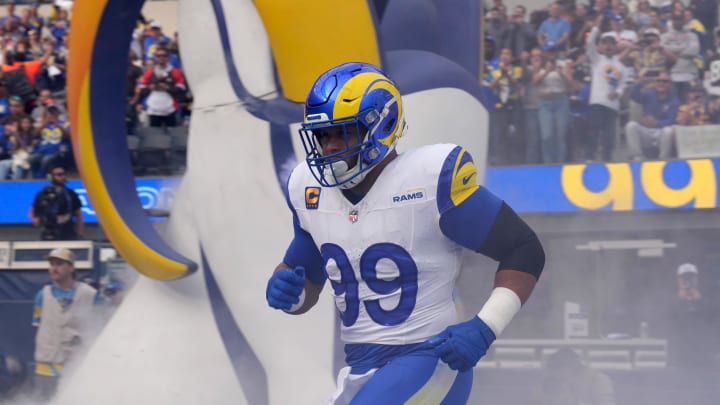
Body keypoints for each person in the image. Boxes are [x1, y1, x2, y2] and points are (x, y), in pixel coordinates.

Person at [266, 62, 545, 404]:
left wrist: (486, 326)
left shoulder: (428, 180)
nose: (331, 146)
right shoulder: (307, 188)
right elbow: (305, 283)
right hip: (360, 367)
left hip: (429, 357)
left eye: (344, 132)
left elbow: (523, 248)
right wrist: (288, 292)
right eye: (324, 135)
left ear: (381, 126)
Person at [32, 248, 101, 401]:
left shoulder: (90, 295)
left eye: (59, 264)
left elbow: (99, 328)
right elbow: (38, 324)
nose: (53, 269)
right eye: (51, 264)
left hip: (76, 365)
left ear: (71, 267)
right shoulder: (42, 295)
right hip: (46, 367)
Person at [534, 348, 616, 405]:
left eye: (559, 368)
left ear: (573, 367)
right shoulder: (550, 383)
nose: (560, 380)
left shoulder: (598, 380)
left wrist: (576, 401)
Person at [29, 163, 84, 240]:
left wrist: (79, 233)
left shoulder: (70, 193)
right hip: (47, 231)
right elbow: (33, 209)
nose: (62, 177)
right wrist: (34, 220)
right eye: (59, 175)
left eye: (64, 174)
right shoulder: (43, 193)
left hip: (66, 231)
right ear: (51, 177)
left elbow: (79, 214)